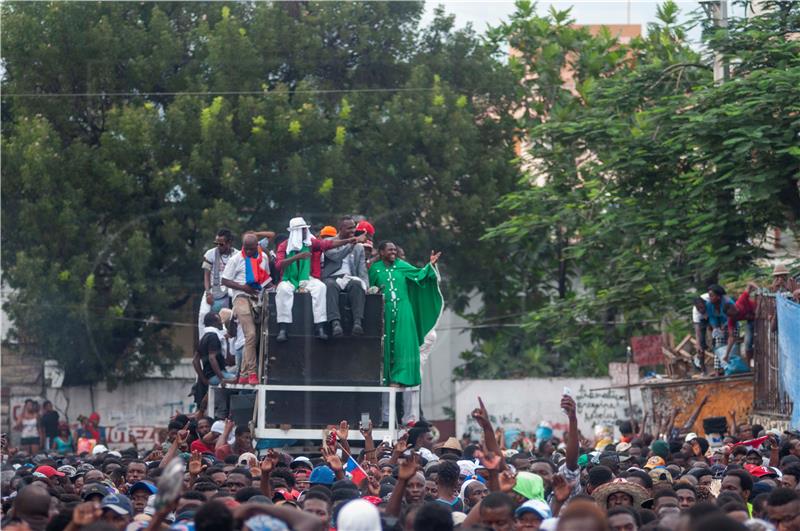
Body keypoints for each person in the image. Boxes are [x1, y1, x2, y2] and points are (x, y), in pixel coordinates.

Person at [369, 241, 443, 387]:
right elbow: (371, 288)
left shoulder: (402, 265)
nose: (393, 253)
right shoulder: (375, 269)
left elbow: (420, 275)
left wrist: (431, 265)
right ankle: (389, 378)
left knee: (404, 342)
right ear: (381, 252)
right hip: (386, 310)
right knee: (388, 343)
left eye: (395, 250)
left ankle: (401, 378)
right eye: (390, 250)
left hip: (404, 309)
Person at [274, 217, 359, 342]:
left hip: (308, 278)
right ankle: (283, 328)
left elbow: (328, 244)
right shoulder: (284, 245)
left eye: (305, 230)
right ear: (295, 232)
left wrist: (348, 241)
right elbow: (278, 265)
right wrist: (297, 257)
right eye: (302, 230)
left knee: (320, 287)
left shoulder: (311, 243)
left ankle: (319, 327)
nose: (304, 232)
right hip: (289, 279)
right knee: (283, 290)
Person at [221, 232, 272, 385]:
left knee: (254, 338)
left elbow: (265, 278)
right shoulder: (236, 259)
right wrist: (242, 287)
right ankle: (252, 374)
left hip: (257, 299)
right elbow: (224, 280)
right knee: (250, 334)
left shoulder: (263, 258)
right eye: (246, 249)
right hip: (241, 298)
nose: (248, 252)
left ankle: (243, 374)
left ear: (257, 246)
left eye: (251, 249)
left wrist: (272, 287)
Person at [322, 216, 370, 337]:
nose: (352, 231)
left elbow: (362, 269)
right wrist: (352, 244)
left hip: (349, 278)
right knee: (330, 286)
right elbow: (336, 256)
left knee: (357, 285)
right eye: (349, 228)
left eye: (353, 227)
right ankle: (335, 323)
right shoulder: (330, 242)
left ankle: (358, 323)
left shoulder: (359, 247)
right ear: (341, 228)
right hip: (332, 277)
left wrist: (367, 286)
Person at [198, 228, 235, 339]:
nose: (218, 246)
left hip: (231, 289)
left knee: (234, 317)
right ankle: (203, 341)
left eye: (221, 244)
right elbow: (206, 275)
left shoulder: (237, 255)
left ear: (229, 243)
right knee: (203, 314)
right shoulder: (210, 254)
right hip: (214, 289)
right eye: (216, 243)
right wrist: (208, 293)